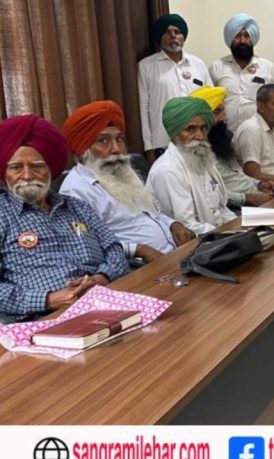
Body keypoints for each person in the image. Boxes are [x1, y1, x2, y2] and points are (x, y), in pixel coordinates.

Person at [0, 115, 129, 322]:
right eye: (16, 168)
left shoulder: (77, 207)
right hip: (45, 319)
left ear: (50, 169)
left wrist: (102, 277)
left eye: (37, 166)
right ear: (5, 172)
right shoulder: (3, 215)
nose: (27, 175)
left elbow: (114, 248)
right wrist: (48, 300)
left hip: (107, 299)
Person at [60, 101, 196, 264]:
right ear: (84, 149)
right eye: (103, 141)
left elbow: (151, 214)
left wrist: (173, 224)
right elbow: (89, 244)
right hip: (138, 267)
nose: (116, 149)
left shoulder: (124, 173)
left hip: (175, 254)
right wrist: (138, 250)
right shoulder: (75, 190)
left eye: (119, 139)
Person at [146, 97, 238, 234]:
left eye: (203, 128)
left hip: (219, 235)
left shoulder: (204, 160)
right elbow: (187, 226)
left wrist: (240, 226)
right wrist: (230, 234)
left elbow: (221, 210)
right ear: (175, 133)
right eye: (190, 129)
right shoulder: (168, 170)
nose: (200, 136)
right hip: (197, 242)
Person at [137, 13, 210, 164]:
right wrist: (148, 147)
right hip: (163, 143)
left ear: (183, 36)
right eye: (167, 32)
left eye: (177, 32)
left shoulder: (198, 64)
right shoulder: (146, 66)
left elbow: (210, 104)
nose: (173, 36)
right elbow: (143, 109)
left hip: (196, 141)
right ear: (160, 37)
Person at [191, 86, 274, 207]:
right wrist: (246, 199)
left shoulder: (222, 139)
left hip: (256, 196)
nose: (223, 118)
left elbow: (237, 174)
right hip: (235, 207)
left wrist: (259, 185)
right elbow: (208, 194)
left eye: (223, 111)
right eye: (217, 112)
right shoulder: (193, 152)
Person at [209, 13, 274, 132]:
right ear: (230, 39)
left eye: (247, 36)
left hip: (258, 135)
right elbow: (210, 105)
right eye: (237, 36)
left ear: (253, 39)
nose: (242, 41)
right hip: (224, 136)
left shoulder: (267, 67)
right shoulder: (217, 67)